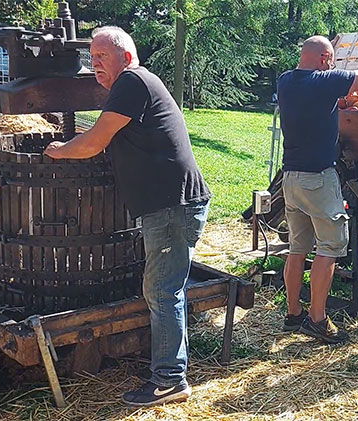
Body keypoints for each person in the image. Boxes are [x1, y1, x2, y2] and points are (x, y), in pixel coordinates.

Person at [44, 26, 211, 407]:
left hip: (172, 206)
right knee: (164, 290)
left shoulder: (133, 81)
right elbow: (110, 134)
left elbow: (94, 141)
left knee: (162, 292)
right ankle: (170, 371)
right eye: (92, 56)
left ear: (127, 57)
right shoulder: (134, 85)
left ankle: (170, 380)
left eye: (102, 56)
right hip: (168, 206)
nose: (94, 63)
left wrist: (56, 150)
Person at [276, 35, 358, 344]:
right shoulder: (324, 82)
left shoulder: (286, 81)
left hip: (291, 177)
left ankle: (293, 313)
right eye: (331, 59)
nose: (334, 64)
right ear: (324, 60)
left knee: (297, 248)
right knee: (331, 247)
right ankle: (317, 320)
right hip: (318, 179)